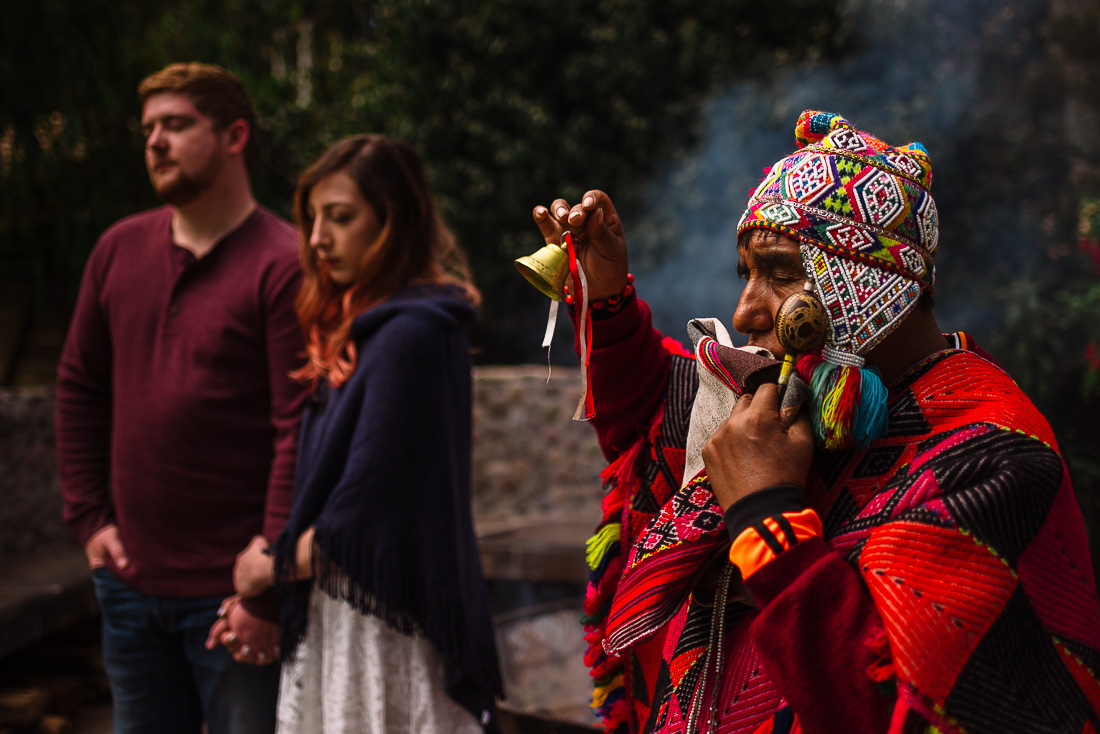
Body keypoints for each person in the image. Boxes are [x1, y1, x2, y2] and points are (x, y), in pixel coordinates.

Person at [532, 110, 1100, 733]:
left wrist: (766, 518)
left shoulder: (996, 458)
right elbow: (654, 422)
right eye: (745, 273)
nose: (744, 311)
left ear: (868, 284)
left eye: (780, 272)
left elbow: (909, 714)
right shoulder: (799, 399)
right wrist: (608, 300)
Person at [56, 62, 306, 733]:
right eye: (148, 130)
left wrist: (268, 587)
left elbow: (297, 430)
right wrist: (88, 518)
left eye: (175, 124)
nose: (155, 142)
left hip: (233, 596)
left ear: (234, 136)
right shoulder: (118, 249)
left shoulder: (285, 263)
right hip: (129, 581)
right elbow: (79, 387)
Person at [230, 133, 504, 733]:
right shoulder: (373, 330)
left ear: (391, 221)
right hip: (347, 606)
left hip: (384, 620)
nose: (319, 238)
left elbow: (364, 518)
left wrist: (268, 570)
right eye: (312, 219)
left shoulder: (413, 335)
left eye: (341, 217)